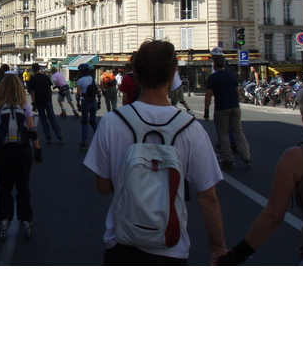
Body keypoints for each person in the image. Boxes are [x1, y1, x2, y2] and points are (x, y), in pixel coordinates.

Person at [83, 40, 227, 266]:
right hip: (171, 246)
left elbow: (102, 187)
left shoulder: (111, 122)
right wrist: (218, 248)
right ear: (173, 74)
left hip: (121, 243)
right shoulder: (191, 128)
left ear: (136, 74)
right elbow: (208, 197)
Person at [218, 79, 303, 266]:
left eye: (302, 108)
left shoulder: (297, 157)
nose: (300, 113)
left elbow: (273, 217)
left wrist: (234, 257)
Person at [0, 73, 41, 239]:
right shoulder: (24, 104)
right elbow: (32, 130)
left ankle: (4, 219)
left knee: (4, 187)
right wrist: (37, 150)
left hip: (4, 151)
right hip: (21, 150)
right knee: (23, 186)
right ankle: (25, 220)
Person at [204, 54, 251, 169]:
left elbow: (208, 95)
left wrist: (206, 111)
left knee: (223, 133)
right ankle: (246, 156)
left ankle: (228, 159)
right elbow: (237, 90)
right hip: (234, 105)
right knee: (238, 131)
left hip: (222, 107)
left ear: (215, 65)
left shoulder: (212, 78)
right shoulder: (231, 75)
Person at [28, 63, 64, 144]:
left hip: (39, 101)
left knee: (43, 118)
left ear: (33, 69)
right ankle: (59, 135)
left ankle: (48, 136)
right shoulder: (45, 77)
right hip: (47, 99)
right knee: (52, 117)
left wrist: (33, 104)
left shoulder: (33, 79)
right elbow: (50, 89)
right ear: (39, 68)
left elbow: (33, 92)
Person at [76, 63, 102, 151]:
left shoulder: (80, 81)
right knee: (93, 121)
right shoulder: (92, 79)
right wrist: (99, 102)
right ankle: (100, 140)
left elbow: (78, 95)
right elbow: (99, 93)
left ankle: (84, 142)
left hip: (85, 101)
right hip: (93, 101)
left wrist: (78, 104)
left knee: (84, 122)